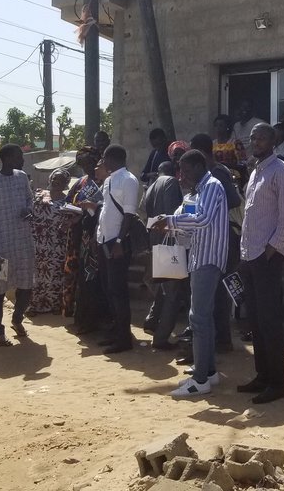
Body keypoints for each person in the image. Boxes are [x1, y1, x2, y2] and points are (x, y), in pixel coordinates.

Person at [153, 150, 229, 397]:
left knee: (198, 318)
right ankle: (208, 372)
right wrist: (170, 219)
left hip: (208, 259)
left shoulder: (212, 186)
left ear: (199, 166)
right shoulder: (198, 190)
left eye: (185, 170)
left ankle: (200, 381)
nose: (182, 175)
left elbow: (203, 219)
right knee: (202, 317)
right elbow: (187, 215)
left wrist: (171, 222)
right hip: (199, 256)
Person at [237, 123, 284, 404]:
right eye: (252, 138)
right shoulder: (255, 172)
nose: (255, 142)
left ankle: (278, 383)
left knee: (270, 321)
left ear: (273, 140)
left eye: (261, 137)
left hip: (265, 258)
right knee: (256, 321)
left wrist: (269, 252)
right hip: (249, 256)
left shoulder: (281, 172)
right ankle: (262, 375)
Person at [190, 133, 243, 355]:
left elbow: (233, 200)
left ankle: (222, 339)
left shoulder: (217, 173)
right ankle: (214, 338)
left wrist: (210, 207)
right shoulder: (207, 176)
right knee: (212, 292)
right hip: (211, 236)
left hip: (226, 235)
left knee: (220, 290)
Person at [0, 144, 36, 347]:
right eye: (19, 156)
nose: (22, 159)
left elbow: (31, 200)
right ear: (9, 158)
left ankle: (17, 319)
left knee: (26, 285)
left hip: (22, 244)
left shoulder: (21, 178)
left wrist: (29, 210)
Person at [93, 145, 140, 355]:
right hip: (104, 240)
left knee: (118, 291)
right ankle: (115, 332)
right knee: (108, 289)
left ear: (112, 159)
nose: (102, 162)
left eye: (104, 158)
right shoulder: (110, 180)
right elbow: (107, 209)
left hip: (117, 243)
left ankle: (124, 339)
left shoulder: (128, 180)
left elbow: (129, 215)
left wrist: (120, 241)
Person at [141, 160, 187, 349]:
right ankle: (161, 338)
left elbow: (144, 211)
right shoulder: (171, 182)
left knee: (164, 285)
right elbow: (172, 215)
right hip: (169, 240)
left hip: (155, 238)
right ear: (175, 171)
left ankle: (151, 321)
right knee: (173, 291)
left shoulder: (151, 186)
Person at [28, 168, 81, 315]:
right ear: (50, 179)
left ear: (66, 184)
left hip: (57, 244)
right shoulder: (38, 195)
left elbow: (76, 218)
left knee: (55, 274)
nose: (56, 181)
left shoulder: (68, 201)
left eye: (61, 180)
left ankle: (54, 305)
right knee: (36, 274)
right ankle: (34, 305)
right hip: (38, 243)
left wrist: (69, 222)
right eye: (54, 178)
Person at [66, 146, 107, 333]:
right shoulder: (81, 182)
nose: (87, 168)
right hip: (81, 236)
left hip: (97, 236)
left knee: (96, 280)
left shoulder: (105, 183)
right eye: (82, 165)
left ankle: (96, 321)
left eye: (90, 164)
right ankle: (83, 319)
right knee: (84, 278)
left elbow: (106, 211)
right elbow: (68, 201)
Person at [212, 114, 247, 185]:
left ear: (227, 127)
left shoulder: (235, 143)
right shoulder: (212, 144)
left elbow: (243, 162)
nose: (218, 128)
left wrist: (228, 165)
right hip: (216, 177)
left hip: (232, 176)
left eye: (221, 125)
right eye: (216, 125)